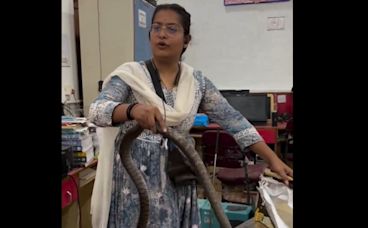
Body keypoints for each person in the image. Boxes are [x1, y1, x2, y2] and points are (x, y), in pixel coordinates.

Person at [89, 3, 293, 228]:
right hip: (136, 182)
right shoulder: (130, 76)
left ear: (186, 40)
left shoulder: (197, 83)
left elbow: (235, 122)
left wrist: (273, 159)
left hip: (178, 177)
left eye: (171, 29)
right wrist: (132, 110)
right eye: (156, 28)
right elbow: (97, 110)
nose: (162, 35)